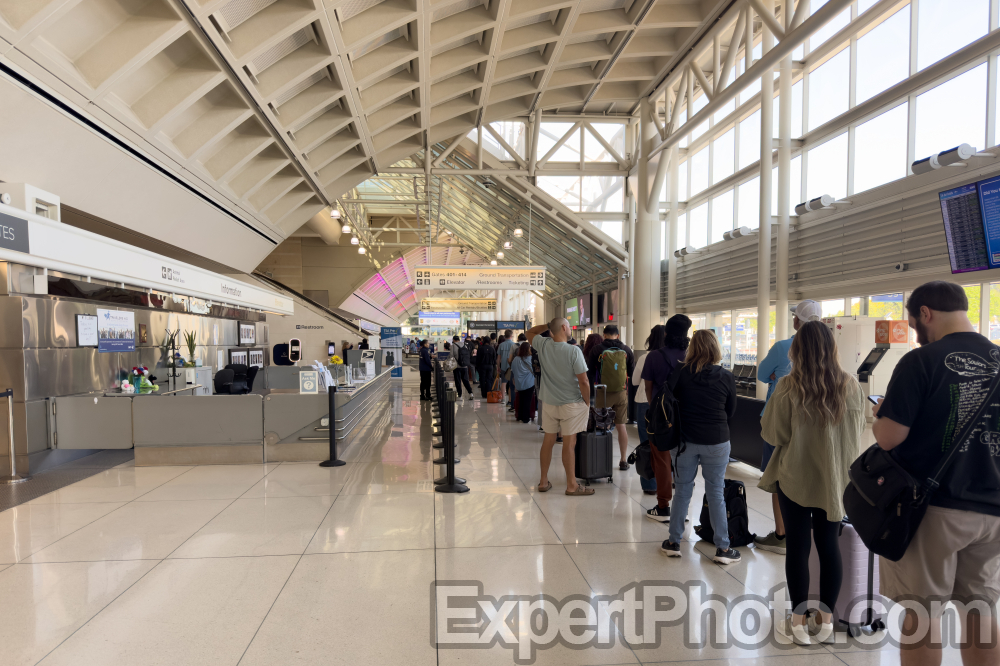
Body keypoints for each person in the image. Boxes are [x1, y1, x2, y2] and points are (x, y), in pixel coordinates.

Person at [873, 281, 1000, 666]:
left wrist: (879, 416)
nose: (916, 333)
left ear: (925, 313)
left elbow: (890, 438)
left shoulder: (920, 361)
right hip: (993, 509)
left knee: (922, 615)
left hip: (934, 509)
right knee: (980, 611)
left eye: (914, 324)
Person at [758, 321, 865, 645]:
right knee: (829, 547)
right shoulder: (852, 386)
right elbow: (857, 434)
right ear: (832, 348)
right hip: (836, 482)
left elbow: (774, 435)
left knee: (798, 548)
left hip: (796, 479)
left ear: (797, 350)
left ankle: (798, 623)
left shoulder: (789, 386)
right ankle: (827, 622)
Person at [660, 329, 740, 565]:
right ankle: (723, 549)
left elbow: (669, 403)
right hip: (716, 441)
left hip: (684, 441)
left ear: (692, 348)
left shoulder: (680, 373)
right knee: (716, 492)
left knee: (683, 490)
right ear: (716, 349)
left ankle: (674, 542)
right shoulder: (725, 376)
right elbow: (731, 411)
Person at [753, 299, 823, 555]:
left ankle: (782, 534)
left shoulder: (784, 346)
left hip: (781, 419)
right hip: (817, 422)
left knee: (777, 477)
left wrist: (775, 376)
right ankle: (811, 532)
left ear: (796, 321)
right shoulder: (829, 349)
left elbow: (761, 374)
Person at [527, 318, 593, 496]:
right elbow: (583, 381)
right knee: (569, 444)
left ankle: (543, 481)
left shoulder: (543, 345)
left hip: (549, 402)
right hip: (570, 404)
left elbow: (529, 333)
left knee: (548, 441)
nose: (570, 329)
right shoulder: (574, 351)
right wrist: (587, 401)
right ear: (564, 328)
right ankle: (572, 485)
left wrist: (547, 327)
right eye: (569, 326)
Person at [642, 314, 691, 522]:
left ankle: (663, 507)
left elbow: (648, 387)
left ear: (666, 334)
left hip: (661, 417)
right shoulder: (691, 356)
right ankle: (682, 509)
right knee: (685, 463)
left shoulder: (654, 356)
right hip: (687, 416)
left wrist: (654, 407)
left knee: (661, 460)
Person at [589, 325, 635, 470]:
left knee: (602, 425)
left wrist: (590, 395)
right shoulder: (627, 350)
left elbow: (589, 373)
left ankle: (599, 460)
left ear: (604, 335)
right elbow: (631, 373)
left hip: (603, 392)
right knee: (621, 426)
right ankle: (623, 460)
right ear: (618, 335)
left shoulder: (597, 350)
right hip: (621, 392)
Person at [633, 325, 667, 496]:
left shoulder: (645, 357)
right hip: (668, 405)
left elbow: (634, 381)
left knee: (647, 443)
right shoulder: (676, 356)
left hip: (645, 402)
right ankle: (670, 480)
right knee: (668, 441)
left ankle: (650, 484)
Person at [511, 341, 536, 423]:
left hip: (519, 383)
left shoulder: (515, 359)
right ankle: (525, 418)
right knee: (527, 401)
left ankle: (520, 416)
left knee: (520, 399)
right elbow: (534, 370)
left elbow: (513, 371)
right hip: (529, 383)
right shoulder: (531, 358)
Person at [497, 329, 516, 411]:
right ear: (511, 336)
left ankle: (503, 399)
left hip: (504, 366)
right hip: (511, 366)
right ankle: (510, 400)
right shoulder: (514, 345)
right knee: (511, 384)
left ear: (505, 335)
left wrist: (498, 366)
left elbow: (498, 358)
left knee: (503, 382)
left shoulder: (501, 345)